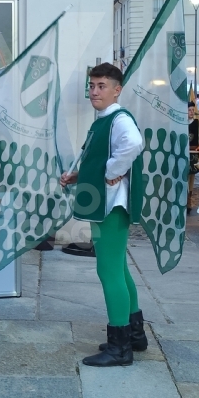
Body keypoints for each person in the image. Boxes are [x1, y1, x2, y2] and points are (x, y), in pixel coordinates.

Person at [60, 63, 146, 366]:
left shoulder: (119, 119)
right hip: (107, 203)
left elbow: (134, 144)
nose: (94, 91)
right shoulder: (105, 118)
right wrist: (80, 176)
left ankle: (119, 345)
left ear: (116, 89)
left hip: (111, 206)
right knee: (118, 269)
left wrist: (112, 171)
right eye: (92, 86)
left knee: (108, 271)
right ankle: (134, 334)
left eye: (101, 86)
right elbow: (98, 156)